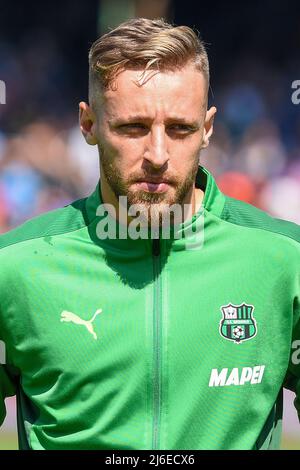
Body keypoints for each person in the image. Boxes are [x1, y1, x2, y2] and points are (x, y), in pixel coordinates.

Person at [0, 17, 299, 451]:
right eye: (133, 128)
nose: (157, 155)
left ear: (208, 128)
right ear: (88, 125)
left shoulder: (283, 259)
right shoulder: (15, 268)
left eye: (180, 129)